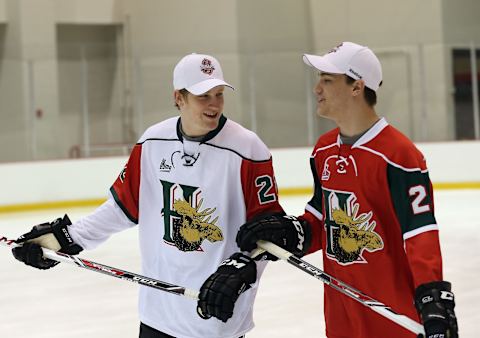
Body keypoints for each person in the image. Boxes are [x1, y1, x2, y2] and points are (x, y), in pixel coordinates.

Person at [12, 53, 284, 338]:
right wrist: (67, 239)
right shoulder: (153, 141)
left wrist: (242, 273)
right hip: (157, 317)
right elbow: (122, 208)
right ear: (179, 98)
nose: (214, 104)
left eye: (218, 94)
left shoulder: (248, 150)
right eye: (203, 96)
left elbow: (269, 234)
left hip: (214, 319)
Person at [232, 42, 459, 338]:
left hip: (392, 316)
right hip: (341, 312)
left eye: (327, 80)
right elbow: (319, 221)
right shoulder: (324, 150)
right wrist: (292, 233)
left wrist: (432, 297)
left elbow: (420, 234)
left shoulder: (398, 155)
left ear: (357, 87)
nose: (317, 88)